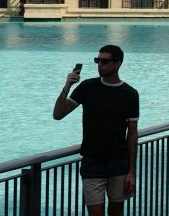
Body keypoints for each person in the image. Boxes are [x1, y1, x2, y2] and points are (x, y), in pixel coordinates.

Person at [53, 45, 139, 216]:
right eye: (97, 61)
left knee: (116, 210)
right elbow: (58, 114)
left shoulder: (130, 94)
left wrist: (132, 172)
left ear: (117, 64)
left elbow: (133, 134)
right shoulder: (87, 87)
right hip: (92, 163)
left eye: (104, 61)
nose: (100, 65)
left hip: (119, 163)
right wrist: (67, 86)